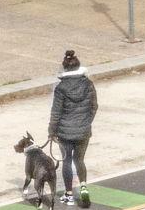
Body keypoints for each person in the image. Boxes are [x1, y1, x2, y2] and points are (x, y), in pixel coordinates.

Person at [47, 49, 97, 206]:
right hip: (83, 131)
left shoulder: (60, 88)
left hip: (64, 132)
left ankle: (69, 194)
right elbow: (94, 106)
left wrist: (51, 131)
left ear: (65, 68)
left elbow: (56, 112)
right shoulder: (88, 84)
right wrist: (86, 121)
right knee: (80, 160)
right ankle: (83, 186)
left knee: (67, 161)